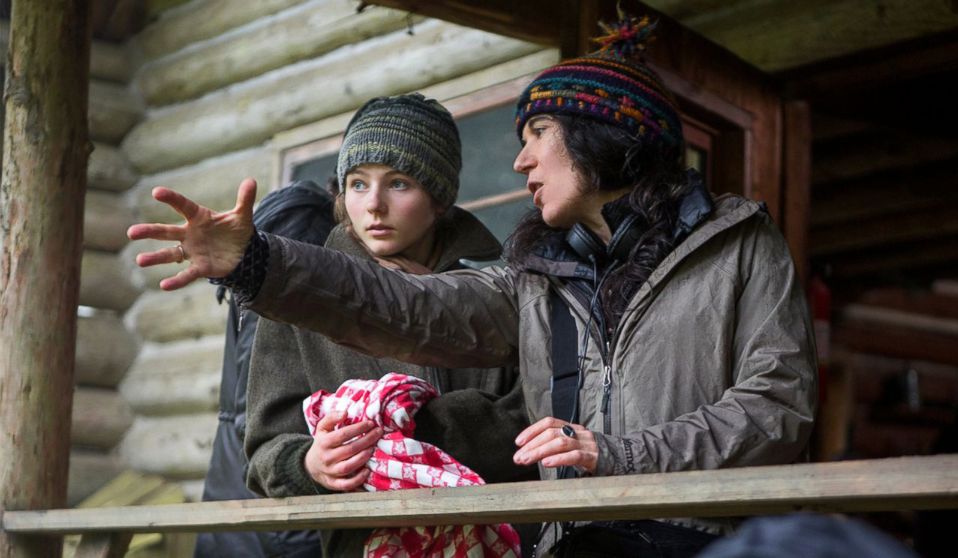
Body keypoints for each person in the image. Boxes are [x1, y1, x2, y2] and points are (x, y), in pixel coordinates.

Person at [128, 13, 816, 558]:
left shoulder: (740, 246)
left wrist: (620, 455)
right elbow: (406, 307)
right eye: (357, 184)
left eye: (538, 131)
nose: (519, 159)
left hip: (703, 545)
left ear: (601, 134)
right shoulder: (537, 279)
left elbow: (777, 408)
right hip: (565, 545)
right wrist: (258, 263)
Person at [246, 94, 535, 556]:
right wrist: (310, 464)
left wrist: (412, 429)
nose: (374, 206)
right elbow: (263, 452)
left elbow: (530, 421)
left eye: (398, 183)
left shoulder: (497, 291)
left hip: (492, 540)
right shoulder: (300, 298)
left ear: (439, 199)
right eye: (358, 184)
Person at [195, 180, 335, 558]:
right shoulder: (305, 230)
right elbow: (257, 400)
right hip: (271, 503)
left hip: (241, 487)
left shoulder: (289, 222)